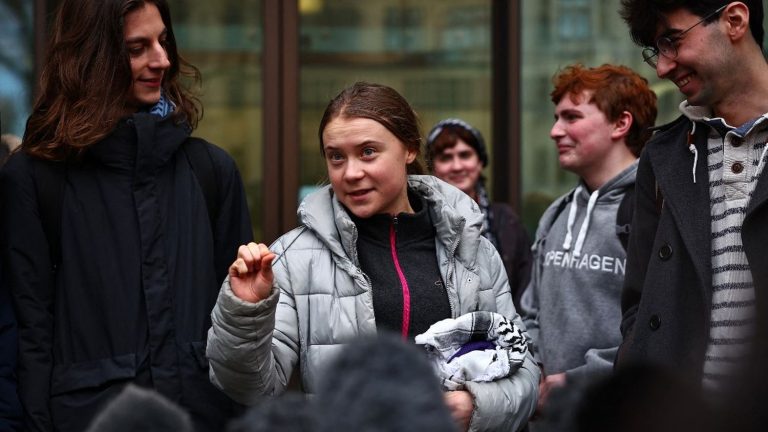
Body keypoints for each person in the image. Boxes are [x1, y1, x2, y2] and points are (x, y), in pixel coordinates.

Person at [207, 82, 539, 432]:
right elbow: (249, 387)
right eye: (336, 156)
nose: (350, 173)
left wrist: (475, 406)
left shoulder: (472, 250)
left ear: (409, 149)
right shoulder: (293, 257)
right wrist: (245, 313)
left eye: (367, 152)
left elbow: (525, 372)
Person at [0, 0, 252, 430]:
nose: (162, 60)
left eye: (163, 41)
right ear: (91, 57)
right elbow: (27, 335)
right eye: (138, 48)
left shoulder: (211, 171)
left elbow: (239, 333)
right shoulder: (35, 180)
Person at [617, 0, 768, 392]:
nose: (664, 67)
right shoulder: (664, 156)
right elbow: (639, 304)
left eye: (672, 41)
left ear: (734, 20)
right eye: (657, 51)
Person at [519, 64, 657, 414]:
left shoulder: (654, 213)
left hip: (618, 413)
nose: (554, 131)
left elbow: (659, 325)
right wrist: (531, 371)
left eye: (571, 117)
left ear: (620, 124)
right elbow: (531, 310)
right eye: (556, 117)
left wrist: (580, 379)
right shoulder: (556, 213)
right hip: (550, 416)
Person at [426, 119, 532, 309]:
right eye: (446, 157)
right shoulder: (423, 220)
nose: (457, 166)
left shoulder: (505, 220)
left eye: (465, 155)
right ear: (433, 167)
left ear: (480, 161)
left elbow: (524, 286)